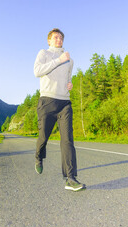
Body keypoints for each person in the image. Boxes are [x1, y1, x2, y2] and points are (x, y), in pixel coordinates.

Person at [33, 28, 86, 191]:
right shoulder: (44, 53)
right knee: (43, 137)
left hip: (64, 103)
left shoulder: (70, 60)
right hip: (47, 101)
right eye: (56, 37)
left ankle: (70, 178)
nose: (59, 39)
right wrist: (58, 60)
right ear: (49, 40)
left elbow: (68, 79)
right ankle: (38, 157)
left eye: (61, 37)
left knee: (67, 140)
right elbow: (37, 72)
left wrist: (69, 84)